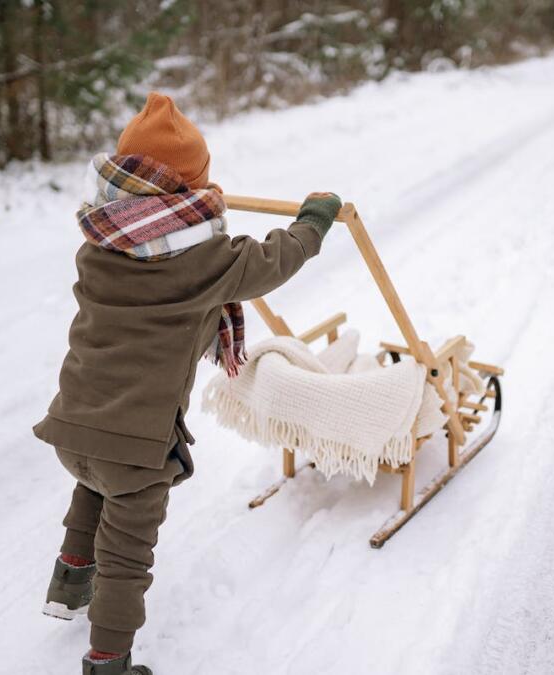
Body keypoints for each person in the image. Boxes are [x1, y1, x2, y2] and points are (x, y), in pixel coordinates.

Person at [32, 91, 341, 675]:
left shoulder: (97, 243)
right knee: (127, 555)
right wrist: (314, 219)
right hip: (138, 448)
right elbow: (278, 258)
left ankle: (68, 586)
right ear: (189, 188)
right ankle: (108, 661)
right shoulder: (208, 262)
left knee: (91, 487)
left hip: (73, 425)